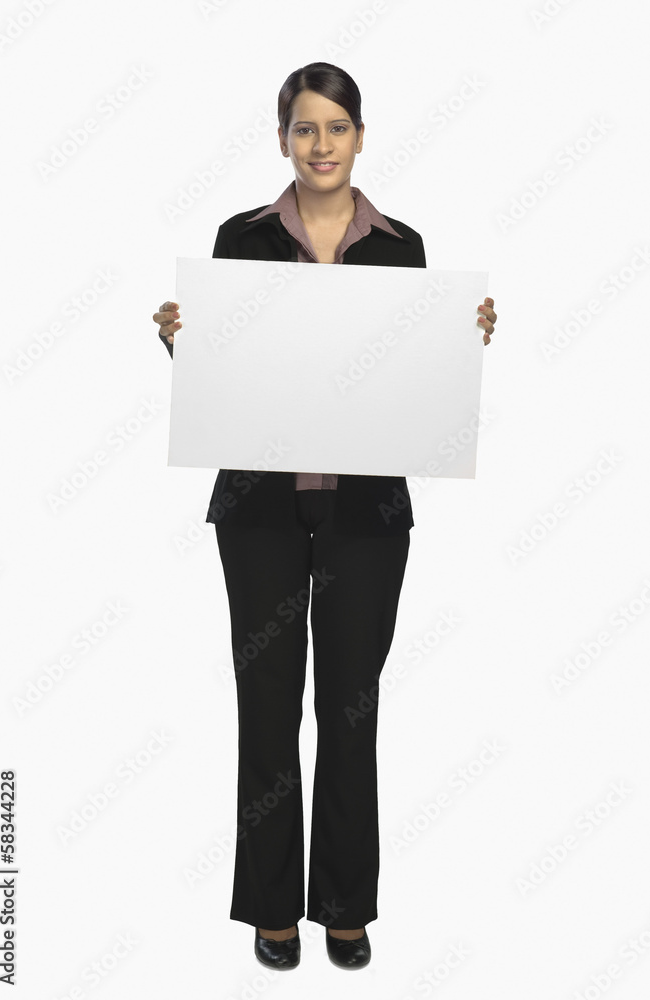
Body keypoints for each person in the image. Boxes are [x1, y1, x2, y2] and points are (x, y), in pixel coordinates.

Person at [153, 61, 497, 972]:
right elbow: (223, 373)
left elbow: (414, 387)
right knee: (266, 708)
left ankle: (344, 904)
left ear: (358, 136)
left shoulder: (400, 247)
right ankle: (271, 905)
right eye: (303, 129)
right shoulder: (244, 237)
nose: (319, 146)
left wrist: (461, 343)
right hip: (259, 511)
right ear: (281, 140)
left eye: (335, 128)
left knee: (350, 709)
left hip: (366, 517)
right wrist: (180, 342)